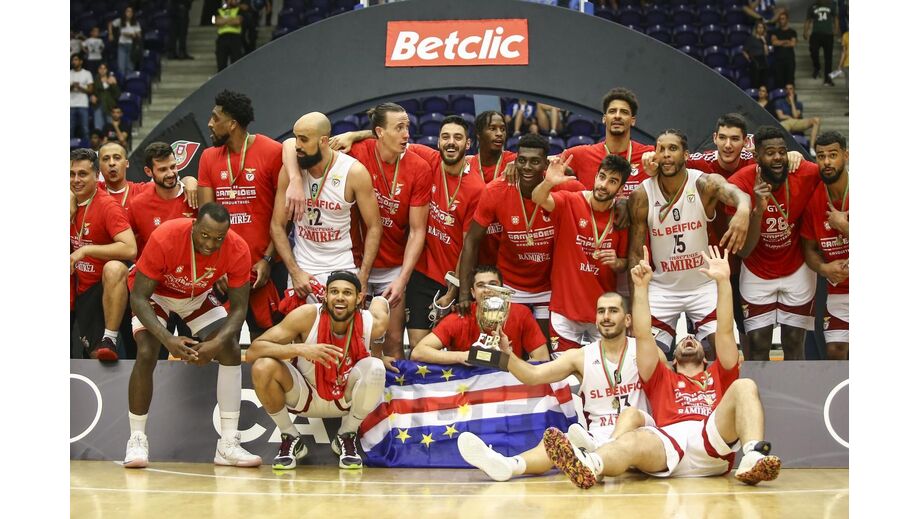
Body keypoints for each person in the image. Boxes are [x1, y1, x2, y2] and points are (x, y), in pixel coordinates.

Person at [544, 245, 781, 489]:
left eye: (694, 339)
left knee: (745, 385)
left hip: (711, 438)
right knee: (632, 441)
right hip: (667, 442)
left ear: (706, 358)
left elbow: (724, 330)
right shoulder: (660, 376)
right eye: (683, 340)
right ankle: (591, 463)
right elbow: (644, 335)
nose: (689, 338)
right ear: (674, 359)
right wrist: (642, 287)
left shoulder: (719, 374)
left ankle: (753, 456)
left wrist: (722, 282)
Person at [458, 290, 662, 482]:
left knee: (631, 413)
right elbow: (533, 376)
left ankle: (595, 452)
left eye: (613, 311)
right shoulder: (580, 356)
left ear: (627, 319)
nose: (606, 316)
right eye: (601, 311)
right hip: (595, 437)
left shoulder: (645, 351)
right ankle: (509, 465)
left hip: (640, 436)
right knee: (556, 442)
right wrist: (507, 355)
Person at [124, 203, 261, 469]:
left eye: (219, 238)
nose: (211, 243)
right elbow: (138, 298)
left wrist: (215, 344)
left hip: (196, 297)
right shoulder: (166, 236)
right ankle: (137, 439)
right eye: (205, 235)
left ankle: (228, 444)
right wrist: (168, 339)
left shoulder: (237, 248)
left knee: (230, 349)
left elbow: (240, 308)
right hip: (156, 295)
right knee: (147, 351)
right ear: (194, 224)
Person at [310, 103, 431, 360]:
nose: (406, 134)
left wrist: (402, 280)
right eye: (399, 128)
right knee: (350, 340)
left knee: (394, 340)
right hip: (352, 262)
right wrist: (356, 136)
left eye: (407, 127)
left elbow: (417, 231)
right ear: (379, 132)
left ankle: (391, 400)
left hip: (393, 267)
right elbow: (300, 147)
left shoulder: (419, 167)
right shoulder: (354, 153)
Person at [248, 270, 391, 469]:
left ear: (359, 298)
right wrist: (300, 348)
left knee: (376, 367)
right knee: (263, 366)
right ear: (325, 295)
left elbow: (381, 307)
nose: (340, 297)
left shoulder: (371, 323)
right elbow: (253, 351)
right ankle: (290, 436)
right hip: (303, 394)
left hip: (345, 398)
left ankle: (346, 435)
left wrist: (379, 301)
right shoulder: (306, 316)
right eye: (334, 291)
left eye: (347, 293)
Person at [628, 129, 752, 357]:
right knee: (644, 357)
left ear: (686, 155)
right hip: (662, 288)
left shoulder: (703, 184)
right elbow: (635, 254)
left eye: (672, 149)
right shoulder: (642, 195)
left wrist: (743, 209)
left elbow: (735, 193)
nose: (666, 154)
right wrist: (637, 301)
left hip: (703, 286)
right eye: (661, 149)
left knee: (728, 355)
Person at [458, 133, 582, 338]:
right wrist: (464, 291)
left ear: (546, 163)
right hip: (509, 285)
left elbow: (596, 204)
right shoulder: (496, 190)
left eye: (535, 162)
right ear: (515, 161)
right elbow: (472, 240)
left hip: (550, 285)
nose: (527, 167)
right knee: (508, 348)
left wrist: (621, 204)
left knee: (544, 349)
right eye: (522, 160)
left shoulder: (565, 187)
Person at [726, 126, 821, 360]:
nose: (778, 157)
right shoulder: (740, 183)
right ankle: (757, 397)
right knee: (757, 345)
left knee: (794, 342)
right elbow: (745, 250)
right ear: (757, 157)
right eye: (770, 152)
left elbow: (834, 173)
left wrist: (800, 155)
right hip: (756, 268)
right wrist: (757, 209)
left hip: (797, 268)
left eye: (782, 151)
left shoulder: (805, 172)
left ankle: (795, 396)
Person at [198, 90, 283, 339]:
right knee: (221, 345)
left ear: (232, 124)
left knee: (267, 346)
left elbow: (283, 217)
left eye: (215, 118)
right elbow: (205, 218)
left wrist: (267, 260)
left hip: (265, 270)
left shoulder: (272, 151)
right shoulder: (208, 157)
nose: (210, 123)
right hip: (222, 272)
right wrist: (216, 267)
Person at [273, 112, 382, 305]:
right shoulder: (291, 171)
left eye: (304, 139)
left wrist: (363, 277)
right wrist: (295, 272)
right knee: (300, 334)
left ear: (323, 140)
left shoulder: (353, 172)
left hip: (343, 267)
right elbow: (276, 226)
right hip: (302, 270)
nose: (297, 145)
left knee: (339, 334)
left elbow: (374, 226)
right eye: (296, 137)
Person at [402, 116, 486, 349]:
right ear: (438, 142)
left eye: (458, 138)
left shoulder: (476, 188)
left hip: (451, 279)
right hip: (421, 273)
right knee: (418, 346)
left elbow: (469, 245)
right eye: (445, 137)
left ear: (468, 144)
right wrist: (352, 135)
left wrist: (454, 291)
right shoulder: (426, 160)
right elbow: (391, 138)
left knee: (446, 346)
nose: (451, 142)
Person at [532, 154, 628, 354]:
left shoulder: (622, 218)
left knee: (602, 375)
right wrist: (548, 183)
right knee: (565, 378)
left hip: (603, 313)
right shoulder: (570, 201)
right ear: (595, 176)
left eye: (613, 181)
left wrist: (617, 262)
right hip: (565, 310)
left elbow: (626, 263)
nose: (604, 185)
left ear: (620, 189)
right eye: (602, 177)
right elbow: (538, 198)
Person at [70, 148, 137, 360]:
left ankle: (109, 337)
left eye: (82, 174)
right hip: (80, 288)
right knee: (89, 356)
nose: (76, 180)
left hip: (104, 287)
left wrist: (86, 250)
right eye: (71, 174)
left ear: (96, 176)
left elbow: (130, 248)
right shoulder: (69, 201)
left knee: (115, 267)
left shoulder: (107, 205)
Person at [411, 265, 549, 364]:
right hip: (469, 389)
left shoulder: (521, 314)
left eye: (493, 284)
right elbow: (418, 353)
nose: (488, 290)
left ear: (502, 288)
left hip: (509, 385)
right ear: (472, 292)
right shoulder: (459, 317)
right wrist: (461, 357)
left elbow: (542, 358)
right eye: (481, 285)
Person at [801, 131, 848, 359]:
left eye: (833, 154)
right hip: (838, 290)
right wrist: (824, 269)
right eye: (820, 156)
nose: (827, 162)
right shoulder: (815, 200)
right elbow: (809, 249)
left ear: (845, 156)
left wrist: (845, 227)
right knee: (835, 352)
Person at [560, 87, 654, 200]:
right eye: (612, 111)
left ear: (633, 120)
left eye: (624, 112)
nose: (617, 116)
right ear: (604, 118)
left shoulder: (649, 155)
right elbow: (542, 166)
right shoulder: (581, 155)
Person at [127, 142, 198, 256]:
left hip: (189, 269)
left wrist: (190, 179)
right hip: (153, 270)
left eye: (173, 167)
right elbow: (127, 245)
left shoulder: (193, 195)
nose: (170, 174)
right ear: (148, 171)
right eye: (163, 169)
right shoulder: (138, 205)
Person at [773, 84, 821, 156]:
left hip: (796, 122)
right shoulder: (779, 102)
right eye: (787, 89)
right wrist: (789, 117)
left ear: (794, 90)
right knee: (782, 126)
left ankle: (811, 148)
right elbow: (780, 116)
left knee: (816, 120)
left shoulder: (798, 104)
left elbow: (795, 116)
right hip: (785, 122)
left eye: (791, 89)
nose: (789, 91)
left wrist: (792, 101)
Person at [804, 0, 839, 86]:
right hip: (816, 34)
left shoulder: (831, 6)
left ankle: (828, 79)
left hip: (828, 34)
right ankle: (817, 67)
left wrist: (836, 29)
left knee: (828, 57)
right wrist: (805, 31)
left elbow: (835, 18)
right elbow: (808, 20)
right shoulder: (812, 7)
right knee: (813, 51)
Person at [108, 6, 142, 77]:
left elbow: (139, 35)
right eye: (128, 11)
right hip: (122, 45)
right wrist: (110, 34)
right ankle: (122, 84)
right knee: (121, 67)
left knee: (130, 67)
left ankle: (129, 83)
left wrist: (131, 35)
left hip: (131, 46)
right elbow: (110, 24)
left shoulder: (136, 23)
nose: (129, 13)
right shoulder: (120, 21)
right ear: (125, 13)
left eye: (131, 12)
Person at [769, 11, 798, 89]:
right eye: (780, 19)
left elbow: (793, 44)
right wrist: (786, 41)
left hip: (789, 59)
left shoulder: (792, 32)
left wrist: (780, 42)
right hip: (778, 60)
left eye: (783, 19)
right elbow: (774, 42)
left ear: (787, 20)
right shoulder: (775, 31)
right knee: (779, 81)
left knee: (790, 81)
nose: (781, 21)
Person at [214, 0, 244, 71]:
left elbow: (238, 21)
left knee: (236, 63)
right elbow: (216, 21)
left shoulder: (239, 10)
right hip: (222, 38)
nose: (234, 1)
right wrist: (231, 19)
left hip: (235, 38)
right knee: (221, 64)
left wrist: (224, 20)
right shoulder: (219, 10)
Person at [70, 53, 94, 142]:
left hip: (83, 105)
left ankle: (87, 151)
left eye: (76, 60)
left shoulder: (87, 73)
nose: (74, 62)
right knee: (70, 130)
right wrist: (72, 87)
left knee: (85, 130)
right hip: (70, 105)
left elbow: (91, 90)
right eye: (73, 60)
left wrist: (80, 87)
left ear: (81, 61)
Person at [91, 63, 121, 132]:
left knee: (110, 128)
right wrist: (92, 97)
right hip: (98, 105)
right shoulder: (95, 80)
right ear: (98, 70)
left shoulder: (112, 79)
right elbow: (92, 92)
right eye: (100, 68)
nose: (102, 70)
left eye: (104, 68)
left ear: (107, 70)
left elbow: (117, 94)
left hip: (110, 106)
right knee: (98, 128)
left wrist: (114, 84)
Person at [743, 21, 771, 90]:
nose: (760, 29)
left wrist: (764, 42)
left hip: (763, 62)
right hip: (754, 61)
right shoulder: (751, 39)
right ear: (756, 29)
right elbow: (744, 51)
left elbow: (767, 53)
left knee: (764, 82)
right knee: (755, 82)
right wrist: (749, 60)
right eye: (759, 27)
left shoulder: (765, 39)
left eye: (762, 28)